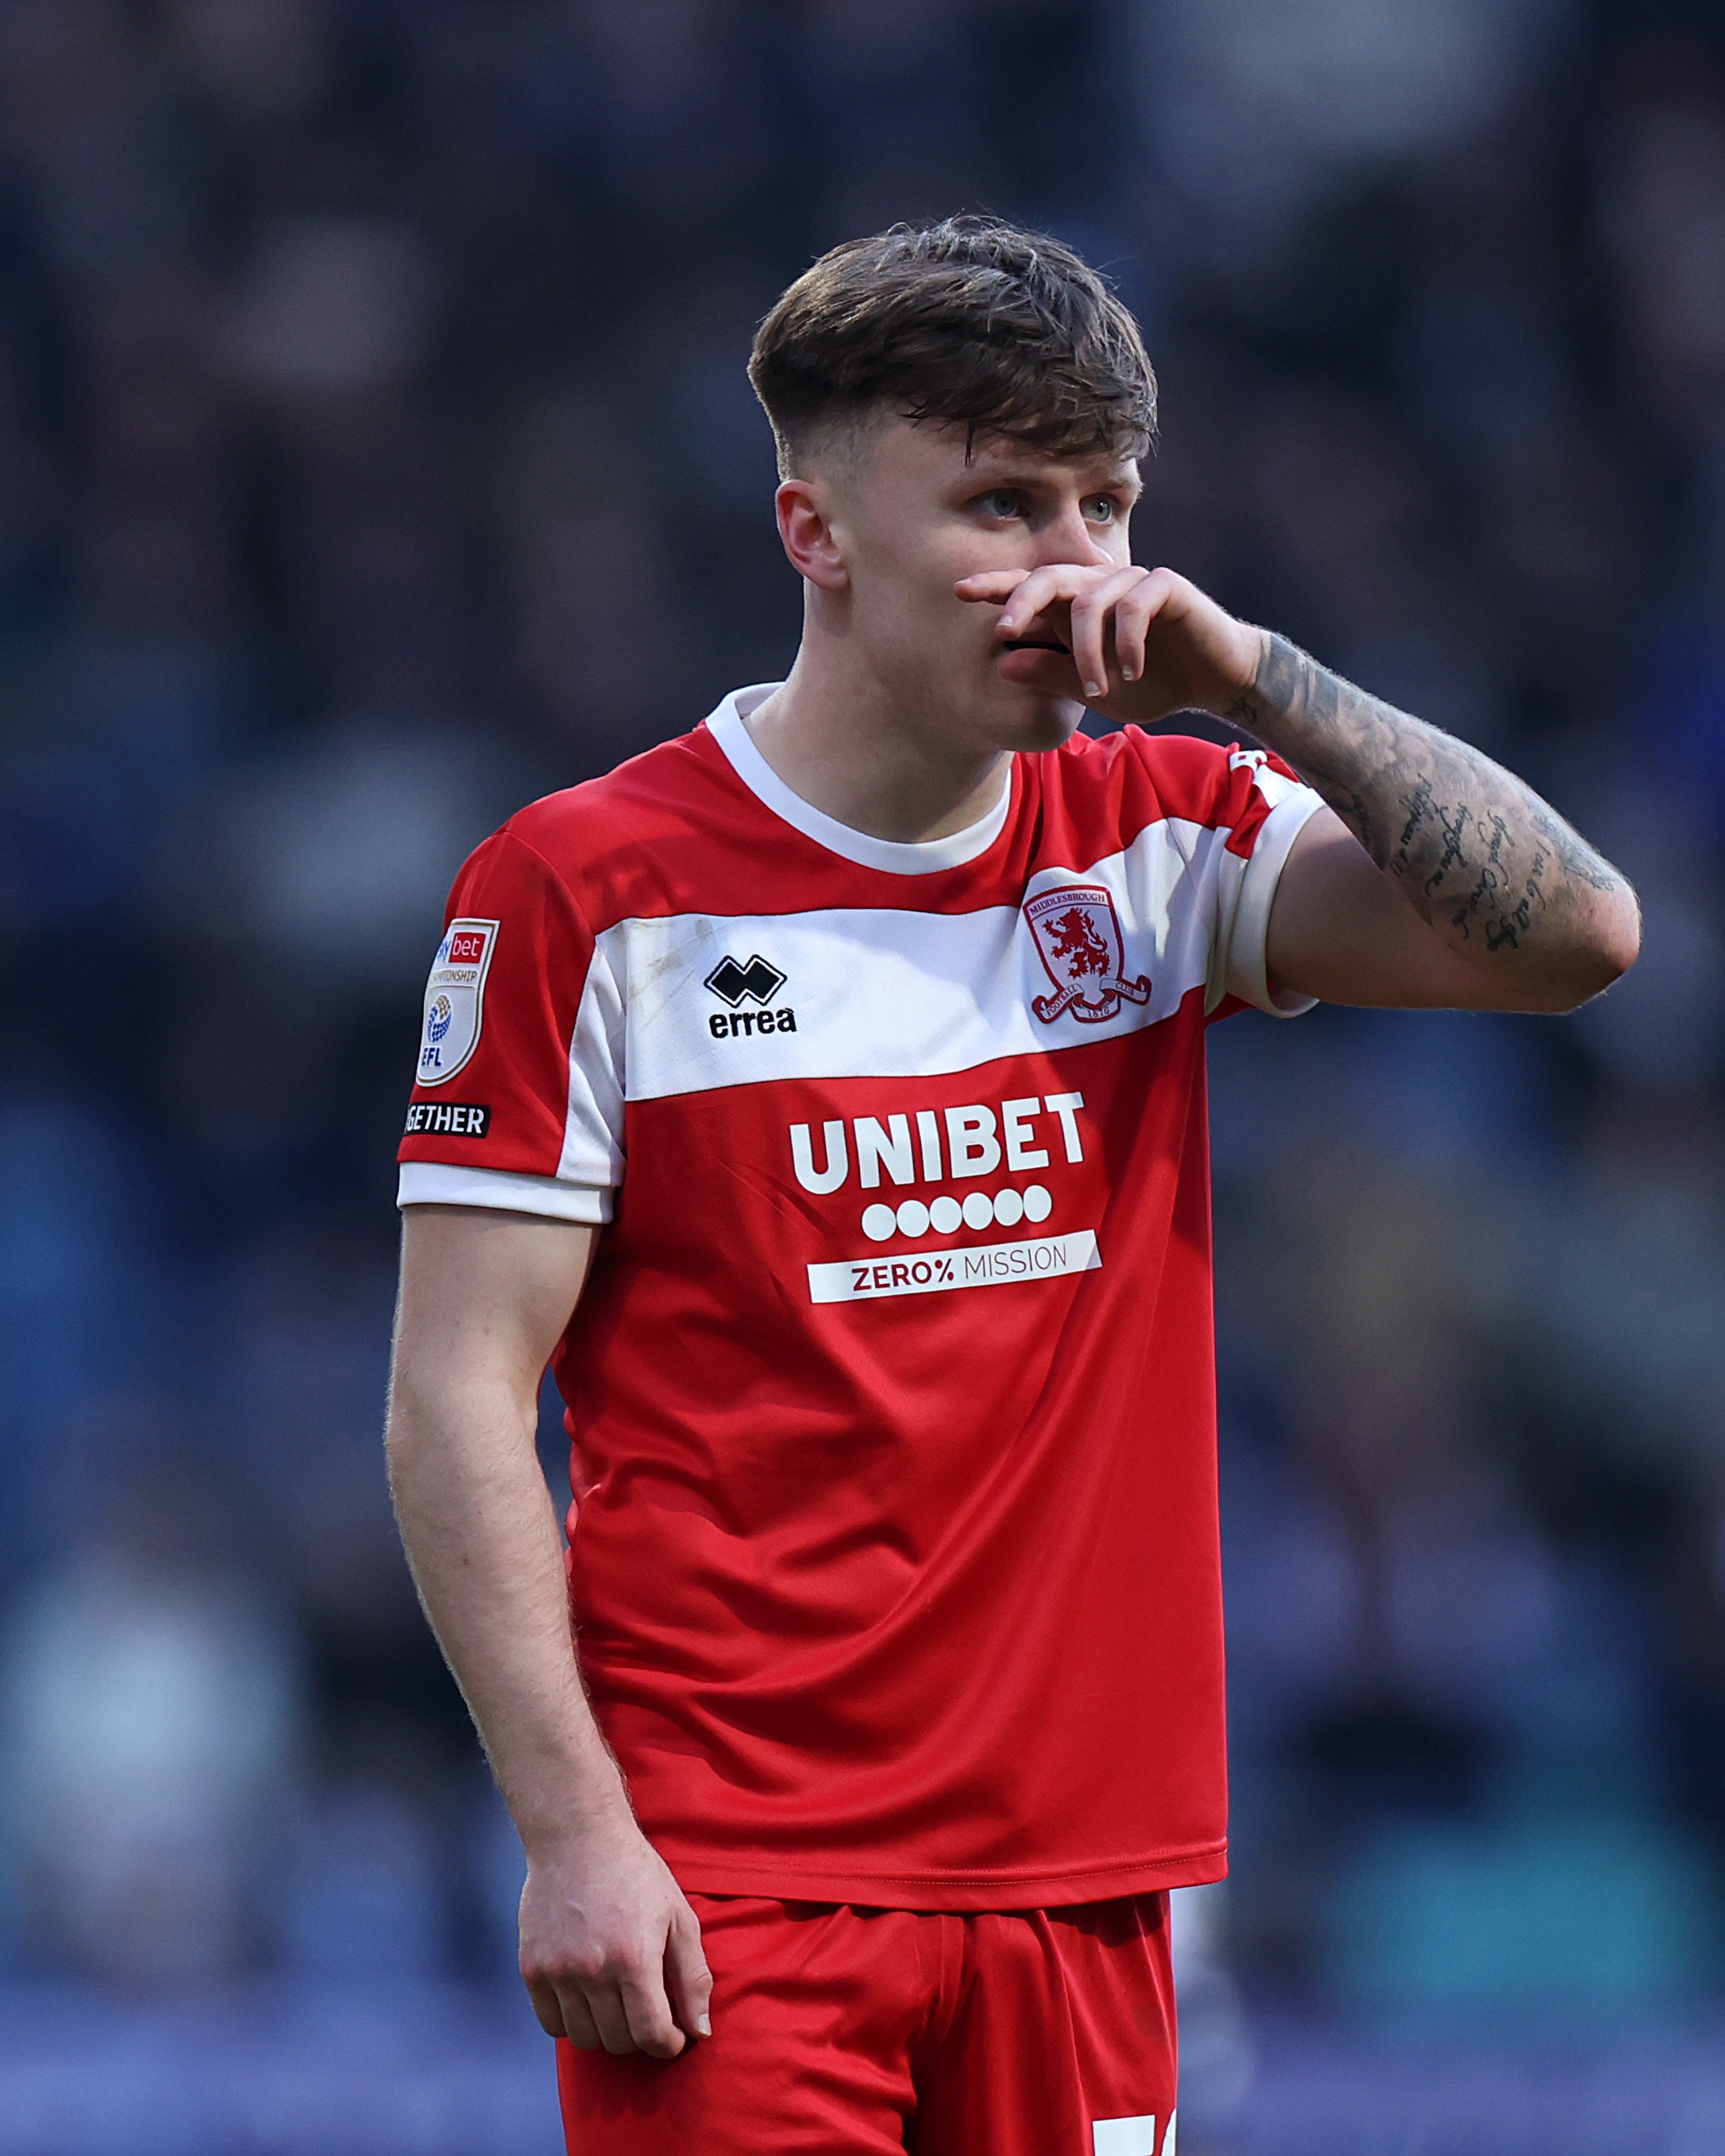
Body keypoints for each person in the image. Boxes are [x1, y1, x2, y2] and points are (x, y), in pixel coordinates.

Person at [384, 215, 1637, 2156]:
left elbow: (1576, 934)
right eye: (998, 504)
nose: (1067, 571)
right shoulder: (585, 888)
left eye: (1102, 504)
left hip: (1090, 1881)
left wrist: (1254, 676)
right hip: (738, 1888)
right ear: (815, 530)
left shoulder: (1155, 837)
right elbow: (459, 1387)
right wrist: (573, 1833)